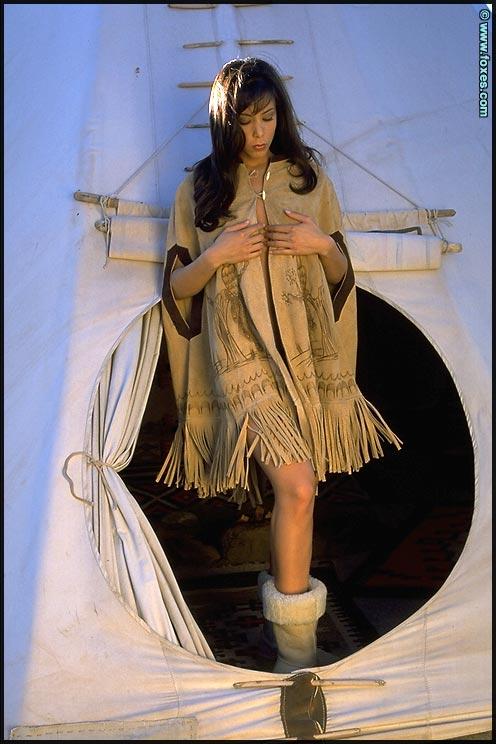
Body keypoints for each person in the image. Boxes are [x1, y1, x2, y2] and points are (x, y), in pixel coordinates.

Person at [156, 57, 401, 673]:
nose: (258, 133)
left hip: (306, 361)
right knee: (298, 486)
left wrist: (321, 245)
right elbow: (176, 289)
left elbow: (342, 276)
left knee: (298, 494)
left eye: (267, 118)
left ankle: (283, 635)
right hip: (240, 365)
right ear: (224, 124)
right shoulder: (199, 191)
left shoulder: (308, 181)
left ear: (280, 116)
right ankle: (296, 655)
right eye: (244, 121)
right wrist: (217, 255)